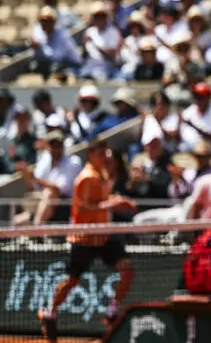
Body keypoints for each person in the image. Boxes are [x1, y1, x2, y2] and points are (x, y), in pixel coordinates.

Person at [38, 139, 137, 341]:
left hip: (103, 235)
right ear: (91, 154)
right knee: (71, 280)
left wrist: (117, 200)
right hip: (83, 237)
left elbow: (101, 200)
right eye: (101, 154)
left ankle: (111, 312)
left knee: (126, 269)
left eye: (106, 154)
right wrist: (113, 205)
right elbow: (84, 208)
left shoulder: (101, 175)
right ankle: (49, 312)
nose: (105, 158)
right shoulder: (86, 177)